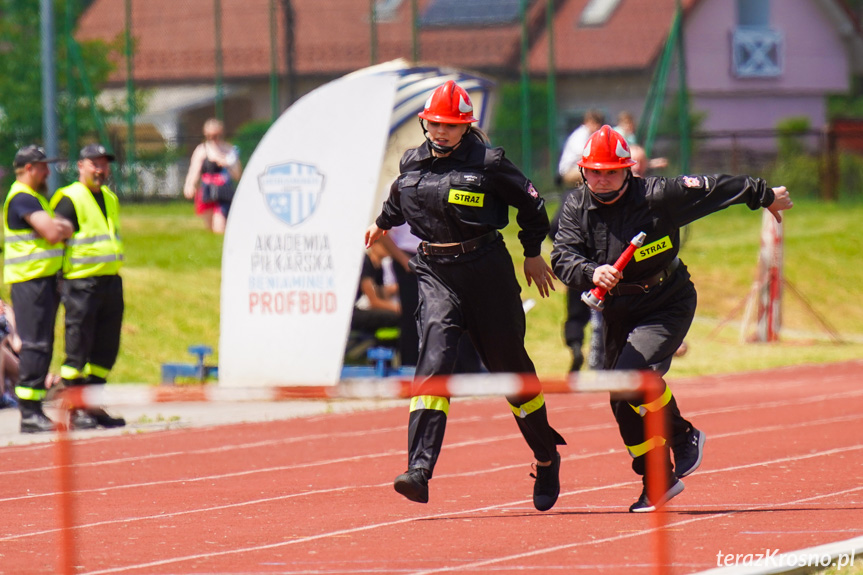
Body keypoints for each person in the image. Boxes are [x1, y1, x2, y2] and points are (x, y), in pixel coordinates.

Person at [551, 126, 793, 512]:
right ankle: (659, 477)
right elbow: (562, 256)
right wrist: (592, 271)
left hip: (666, 300)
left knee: (633, 379)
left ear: (627, 170)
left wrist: (763, 195)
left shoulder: (658, 195)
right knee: (620, 399)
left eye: (610, 171)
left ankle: (681, 438)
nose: (601, 179)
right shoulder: (575, 206)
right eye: (593, 171)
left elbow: (714, 188)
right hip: (618, 310)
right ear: (582, 171)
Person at [365, 80, 565, 511]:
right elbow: (401, 197)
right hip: (435, 273)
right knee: (434, 360)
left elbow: (532, 206)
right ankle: (419, 470)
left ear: (466, 127)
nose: (441, 132)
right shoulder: (412, 161)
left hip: (487, 271)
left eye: (451, 126)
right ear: (425, 123)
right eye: (435, 124)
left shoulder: (490, 163)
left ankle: (546, 457)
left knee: (512, 373)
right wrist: (381, 222)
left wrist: (532, 254)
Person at [50, 144, 126, 429]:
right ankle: (74, 408)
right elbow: (56, 239)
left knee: (106, 348)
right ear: (80, 166)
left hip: (110, 280)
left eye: (104, 164)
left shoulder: (109, 197)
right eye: (94, 163)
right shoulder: (69, 198)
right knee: (78, 348)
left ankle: (91, 404)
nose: (100, 169)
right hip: (81, 282)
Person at [3, 145, 74, 432]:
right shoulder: (22, 198)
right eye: (43, 166)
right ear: (29, 169)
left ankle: (34, 410)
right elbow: (55, 232)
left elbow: (59, 229)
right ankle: (29, 413)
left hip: (42, 282)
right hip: (29, 282)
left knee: (42, 345)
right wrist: (60, 228)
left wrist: (59, 227)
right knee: (34, 346)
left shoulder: (33, 199)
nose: (48, 171)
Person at [182, 118, 242, 234]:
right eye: (210, 136)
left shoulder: (229, 150)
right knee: (209, 228)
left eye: (216, 135)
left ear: (222, 133)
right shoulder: (202, 150)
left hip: (224, 192)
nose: (214, 139)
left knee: (219, 225)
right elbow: (194, 170)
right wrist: (189, 185)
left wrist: (227, 164)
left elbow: (237, 175)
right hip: (207, 191)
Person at [558, 109, 605, 187]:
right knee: (594, 173)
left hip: (579, 168)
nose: (597, 127)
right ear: (589, 122)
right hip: (568, 171)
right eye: (596, 123)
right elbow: (584, 156)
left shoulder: (590, 135)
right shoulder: (581, 134)